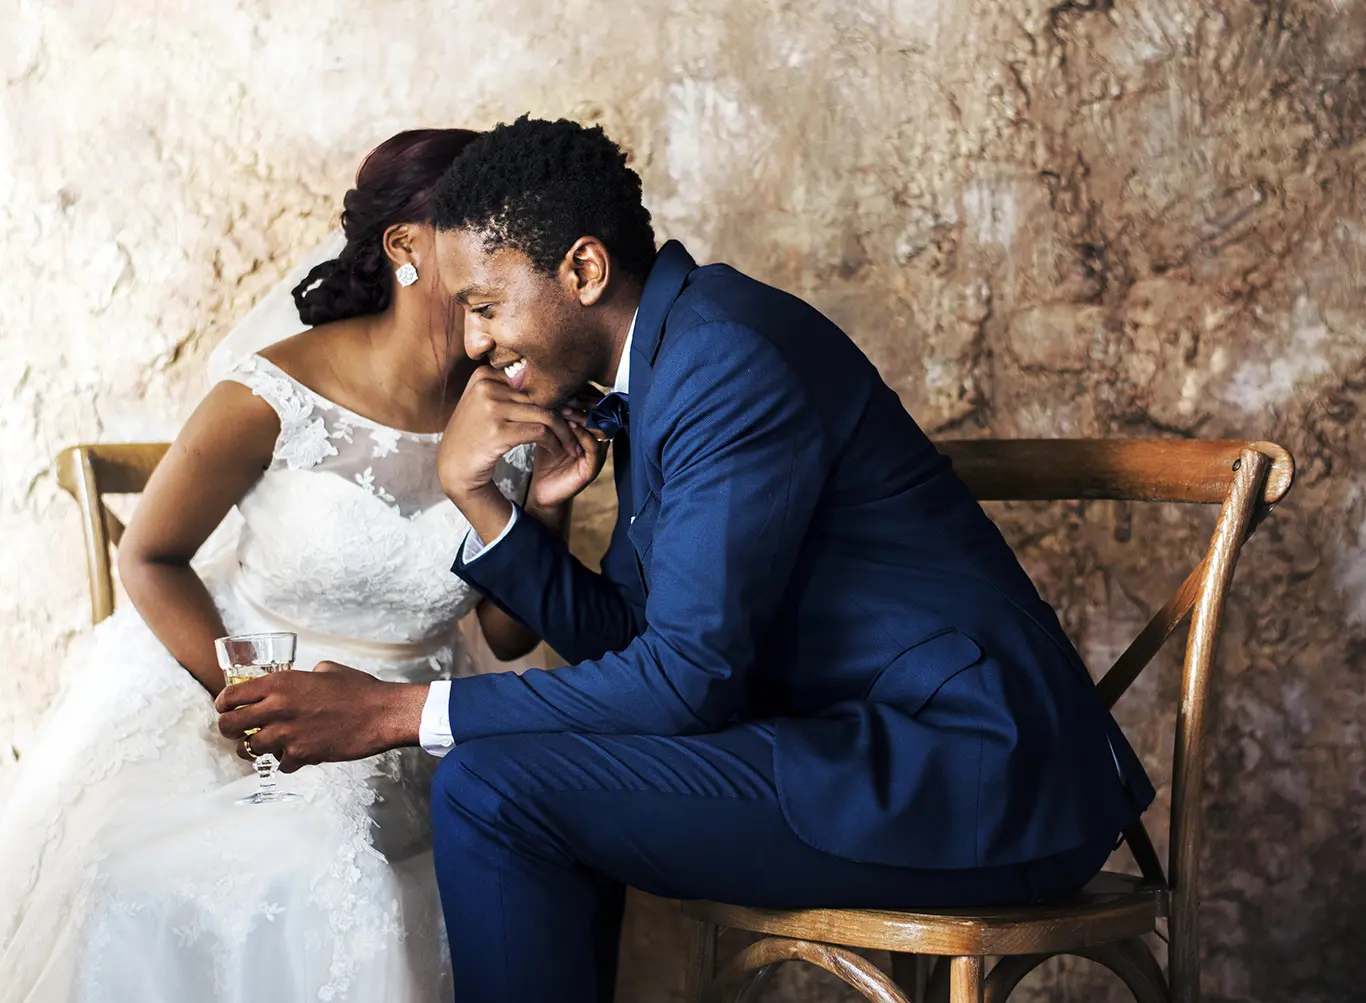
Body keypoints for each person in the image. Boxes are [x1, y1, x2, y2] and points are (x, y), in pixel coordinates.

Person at [221, 116, 1155, 1003]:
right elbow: (637, 642)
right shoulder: (668, 356)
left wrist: (395, 711)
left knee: (494, 788)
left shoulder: (724, 358)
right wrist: (484, 500)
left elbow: (684, 681)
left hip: (973, 774)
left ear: (583, 269)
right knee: (504, 773)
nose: (474, 342)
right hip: (861, 748)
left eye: (486, 304)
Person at [0, 128, 591, 1003]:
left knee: (493, 871)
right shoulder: (272, 394)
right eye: (482, 232)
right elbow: (150, 554)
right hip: (243, 688)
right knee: (202, 872)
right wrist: (248, 695)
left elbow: (506, 636)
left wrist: (542, 505)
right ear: (406, 247)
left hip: (414, 719)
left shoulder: (514, 399)